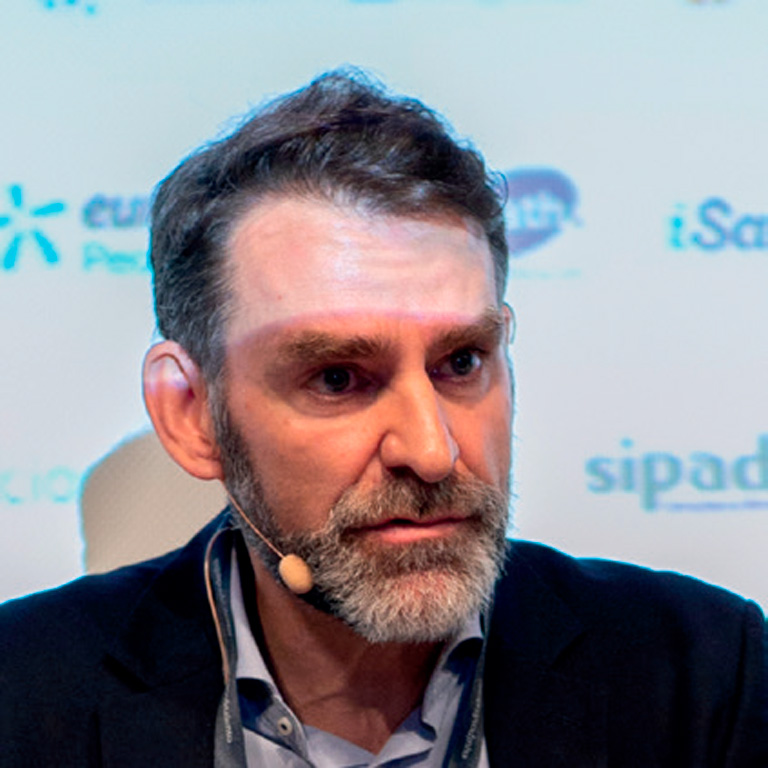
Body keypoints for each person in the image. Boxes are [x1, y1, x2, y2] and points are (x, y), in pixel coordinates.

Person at [1, 69, 766, 768]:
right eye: (338, 378)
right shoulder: (21, 694)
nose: (431, 451)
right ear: (192, 415)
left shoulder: (704, 676)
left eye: (461, 362)